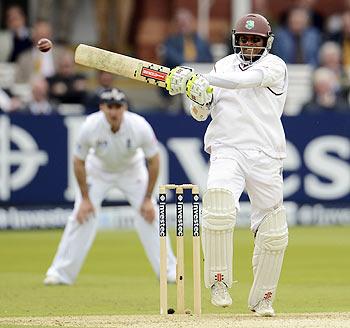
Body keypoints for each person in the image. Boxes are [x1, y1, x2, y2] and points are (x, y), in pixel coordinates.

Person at [165, 14, 289, 316]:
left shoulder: (275, 66)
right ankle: (218, 281)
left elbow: (243, 82)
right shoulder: (222, 66)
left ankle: (263, 299)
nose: (248, 45)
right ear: (235, 39)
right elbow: (200, 113)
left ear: (266, 42)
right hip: (227, 149)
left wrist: (200, 77)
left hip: (266, 155)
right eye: (244, 39)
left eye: (255, 40)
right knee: (218, 204)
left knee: (273, 231)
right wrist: (193, 94)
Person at [44, 88, 176, 285]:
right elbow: (78, 162)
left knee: (150, 214)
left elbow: (154, 161)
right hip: (98, 171)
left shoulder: (139, 125)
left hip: (132, 170)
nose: (113, 112)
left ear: (124, 107)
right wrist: (86, 199)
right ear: (101, 107)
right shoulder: (90, 125)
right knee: (81, 216)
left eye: (118, 107)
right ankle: (60, 273)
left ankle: (169, 271)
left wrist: (148, 198)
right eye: (109, 107)